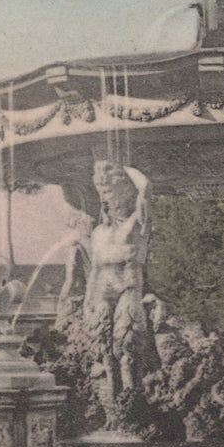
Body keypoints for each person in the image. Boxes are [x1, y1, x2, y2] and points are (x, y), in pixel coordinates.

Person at [83, 162, 154, 406]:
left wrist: (125, 168)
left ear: (125, 194)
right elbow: (94, 271)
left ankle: (133, 403)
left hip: (128, 290)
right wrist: (87, 302)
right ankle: (113, 407)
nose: (107, 199)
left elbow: (146, 189)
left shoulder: (136, 225)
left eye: (111, 193)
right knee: (105, 353)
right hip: (102, 292)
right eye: (103, 194)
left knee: (127, 351)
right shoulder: (98, 234)